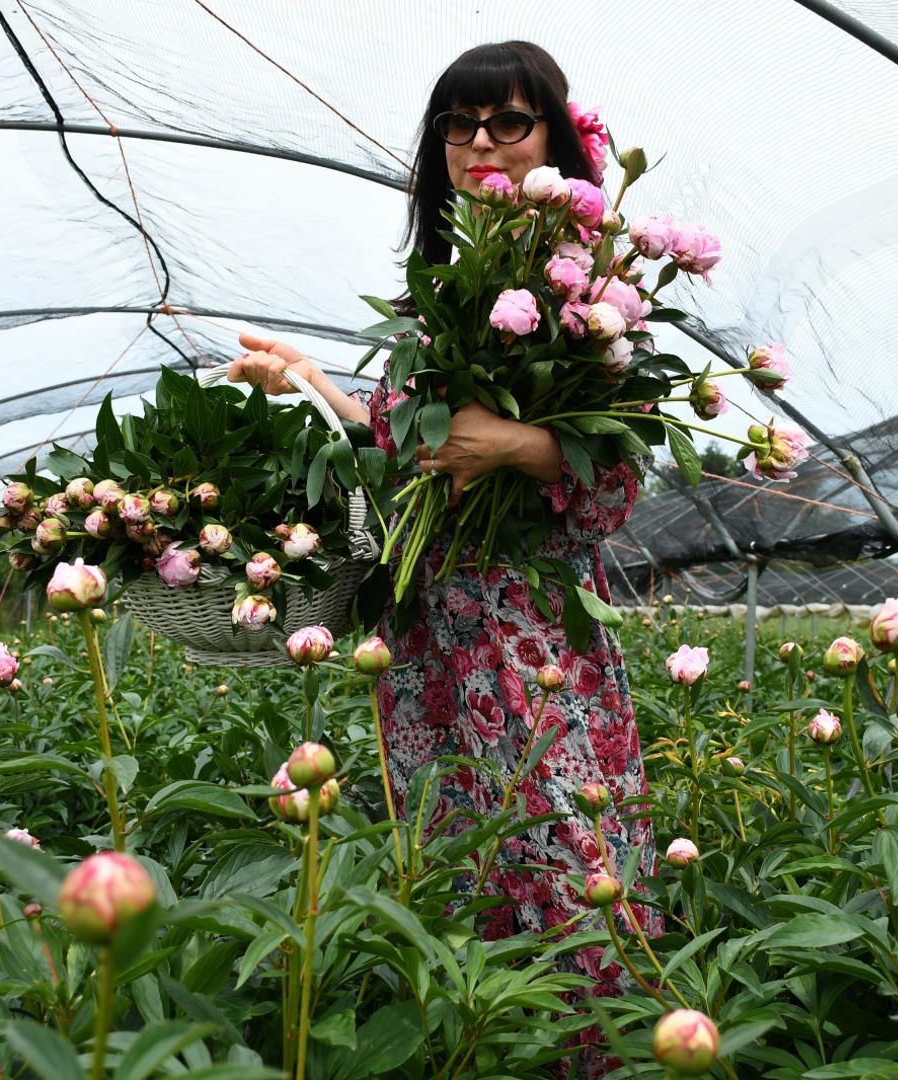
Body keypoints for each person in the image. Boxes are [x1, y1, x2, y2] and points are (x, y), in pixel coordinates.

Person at [226, 38, 659, 1060]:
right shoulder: (442, 293)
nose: (479, 144)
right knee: (451, 861)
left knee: (562, 853)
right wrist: (316, 385)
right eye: (458, 127)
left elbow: (617, 475)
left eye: (508, 121)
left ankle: (594, 1054)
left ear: (554, 135)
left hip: (531, 641)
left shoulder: (593, 288)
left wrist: (512, 441)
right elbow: (406, 460)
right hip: (427, 645)